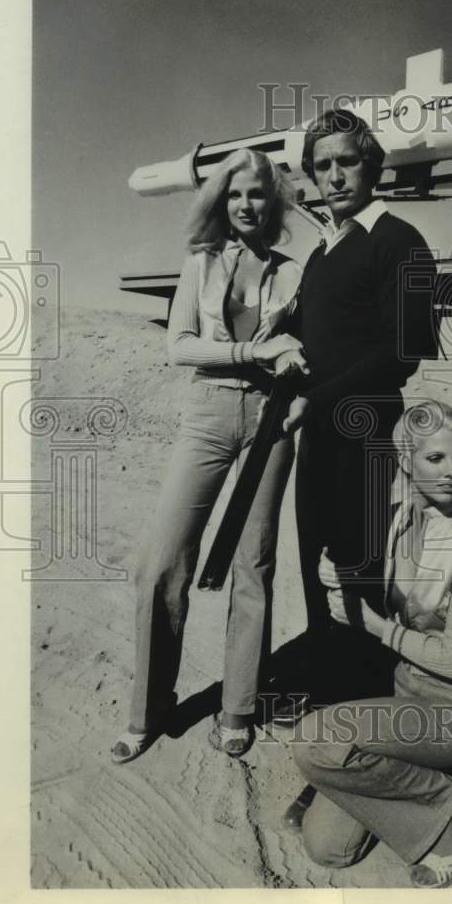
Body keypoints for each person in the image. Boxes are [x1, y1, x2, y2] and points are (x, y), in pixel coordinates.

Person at [111, 148, 304, 763]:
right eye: (236, 194)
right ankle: (147, 711)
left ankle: (238, 707)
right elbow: (181, 347)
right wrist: (255, 352)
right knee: (162, 560)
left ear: (274, 203)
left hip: (272, 423)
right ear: (221, 201)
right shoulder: (200, 264)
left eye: (258, 195)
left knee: (255, 566)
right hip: (209, 417)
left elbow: (307, 350)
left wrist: (300, 387)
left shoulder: (293, 271)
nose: (248, 205)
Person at [289, 399, 452, 888]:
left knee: (314, 740)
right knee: (328, 848)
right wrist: (337, 581)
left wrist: (376, 627)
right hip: (406, 697)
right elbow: (378, 596)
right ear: (406, 461)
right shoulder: (398, 519)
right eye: (436, 459)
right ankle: (425, 793)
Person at [276, 108, 439, 713]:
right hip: (315, 428)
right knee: (316, 560)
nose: (336, 175)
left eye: (347, 161)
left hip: (367, 428)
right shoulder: (322, 254)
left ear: (372, 165)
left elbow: (405, 352)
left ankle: (367, 712)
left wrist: (314, 399)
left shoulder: (399, 240)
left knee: (363, 567)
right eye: (323, 166)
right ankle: (328, 690)